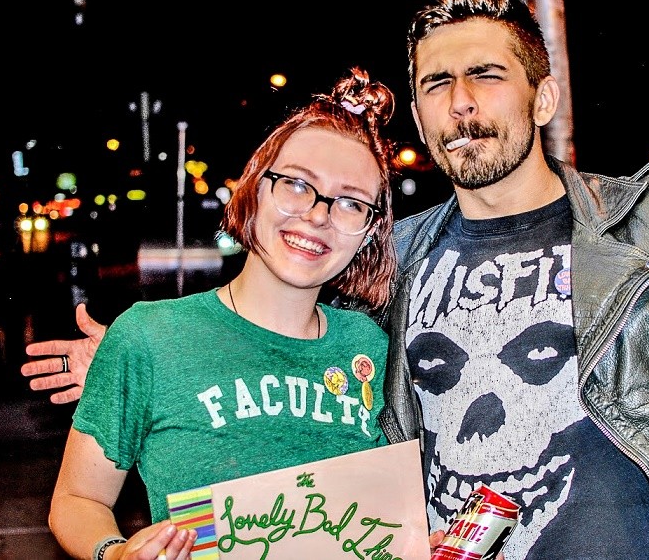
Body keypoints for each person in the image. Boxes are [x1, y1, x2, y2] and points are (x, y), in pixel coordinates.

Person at [23, 0, 649, 558]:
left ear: (542, 98)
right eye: (437, 83)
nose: (461, 101)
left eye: (486, 74)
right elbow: (277, 341)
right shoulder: (393, 264)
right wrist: (153, 360)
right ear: (417, 113)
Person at [41, 66, 398, 560]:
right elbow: (77, 499)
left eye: (352, 204)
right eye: (298, 184)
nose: (319, 215)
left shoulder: (374, 347)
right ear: (254, 190)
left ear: (370, 231)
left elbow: (380, 522)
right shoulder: (147, 336)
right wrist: (117, 552)